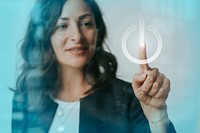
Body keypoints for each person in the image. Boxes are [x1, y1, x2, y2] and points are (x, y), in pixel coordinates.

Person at [11, 0, 176, 132]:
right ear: (46, 36)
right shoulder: (27, 97)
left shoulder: (130, 99)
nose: (77, 36)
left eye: (86, 24)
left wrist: (157, 113)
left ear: (98, 31)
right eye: (63, 26)